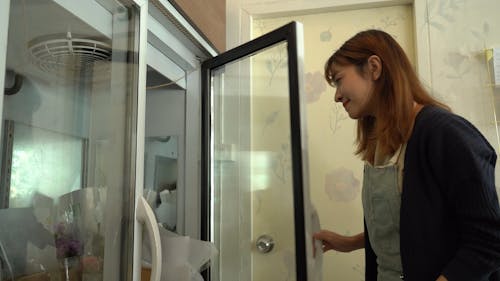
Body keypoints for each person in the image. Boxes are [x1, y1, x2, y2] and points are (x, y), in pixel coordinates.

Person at [313, 29, 500, 281]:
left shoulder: (445, 133)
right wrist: (350, 242)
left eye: (338, 79)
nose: (336, 95)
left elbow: (489, 240)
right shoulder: (380, 143)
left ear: (374, 67)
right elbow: (410, 225)